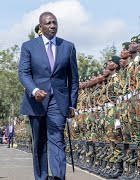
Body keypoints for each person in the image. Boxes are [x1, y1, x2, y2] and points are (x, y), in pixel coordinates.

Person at [18, 12, 79, 180]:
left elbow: (73, 78)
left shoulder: (68, 47)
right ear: (41, 26)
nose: (53, 26)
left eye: (55, 22)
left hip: (58, 103)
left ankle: (59, 177)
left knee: (57, 139)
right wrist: (34, 90)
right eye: (49, 23)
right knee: (38, 143)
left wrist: (72, 104)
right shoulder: (28, 46)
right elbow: (23, 73)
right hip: (36, 102)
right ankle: (42, 177)